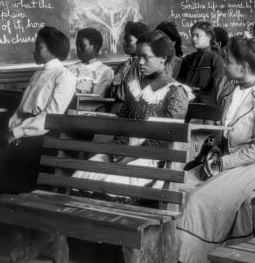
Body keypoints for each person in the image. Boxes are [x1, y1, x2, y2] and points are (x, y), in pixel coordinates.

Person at [0, 26, 76, 232]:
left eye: (38, 46)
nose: (34, 50)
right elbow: (21, 110)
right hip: (19, 132)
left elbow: (50, 117)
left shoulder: (64, 76)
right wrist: (11, 127)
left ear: (51, 50)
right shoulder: (39, 72)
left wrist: (16, 132)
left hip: (40, 138)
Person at [176, 37, 255, 263]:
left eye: (228, 60)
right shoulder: (229, 89)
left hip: (253, 165)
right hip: (224, 158)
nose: (224, 64)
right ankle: (173, 255)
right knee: (179, 184)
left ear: (243, 67)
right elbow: (224, 133)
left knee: (198, 199)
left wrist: (223, 162)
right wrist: (214, 153)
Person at [71, 31, 192, 188]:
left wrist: (130, 156)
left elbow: (164, 137)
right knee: (83, 174)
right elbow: (123, 124)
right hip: (123, 151)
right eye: (138, 56)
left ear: (163, 58)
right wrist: (117, 150)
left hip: (151, 157)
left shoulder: (175, 91)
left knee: (111, 183)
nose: (140, 62)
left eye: (146, 57)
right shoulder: (133, 86)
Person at [177, 21, 226, 105]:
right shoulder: (188, 59)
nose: (194, 38)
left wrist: (197, 98)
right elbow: (179, 83)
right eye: (192, 36)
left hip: (204, 107)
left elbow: (216, 89)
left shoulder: (216, 60)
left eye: (197, 36)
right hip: (184, 103)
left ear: (209, 37)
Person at [107, 21, 150, 111]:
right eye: (124, 39)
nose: (124, 42)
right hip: (114, 112)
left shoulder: (145, 66)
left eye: (128, 39)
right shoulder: (122, 66)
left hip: (132, 114)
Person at [68, 28, 114, 96]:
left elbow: (96, 97)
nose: (78, 49)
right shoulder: (70, 69)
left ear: (95, 47)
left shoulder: (104, 71)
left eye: (82, 46)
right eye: (77, 45)